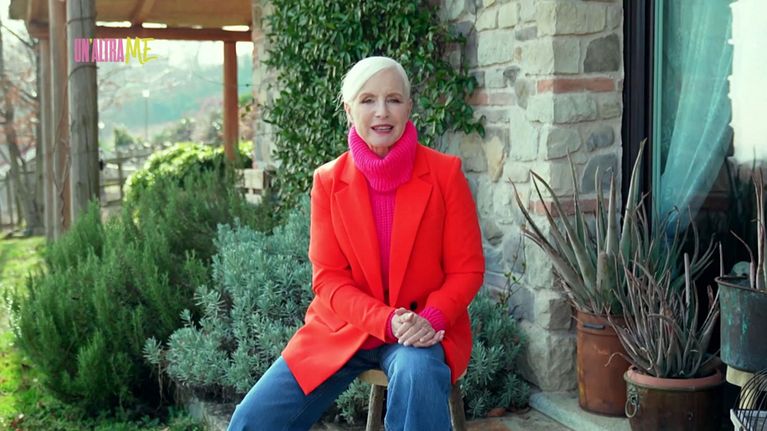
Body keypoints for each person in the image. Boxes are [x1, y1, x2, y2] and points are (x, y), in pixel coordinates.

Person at [228, 56, 484, 431]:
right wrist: (386, 321)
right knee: (252, 421)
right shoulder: (328, 180)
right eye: (367, 100)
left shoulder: (446, 174)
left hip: (420, 333)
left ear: (409, 107)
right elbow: (329, 279)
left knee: (416, 372)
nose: (382, 112)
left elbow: (467, 270)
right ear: (349, 110)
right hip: (343, 329)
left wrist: (428, 320)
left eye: (394, 99)